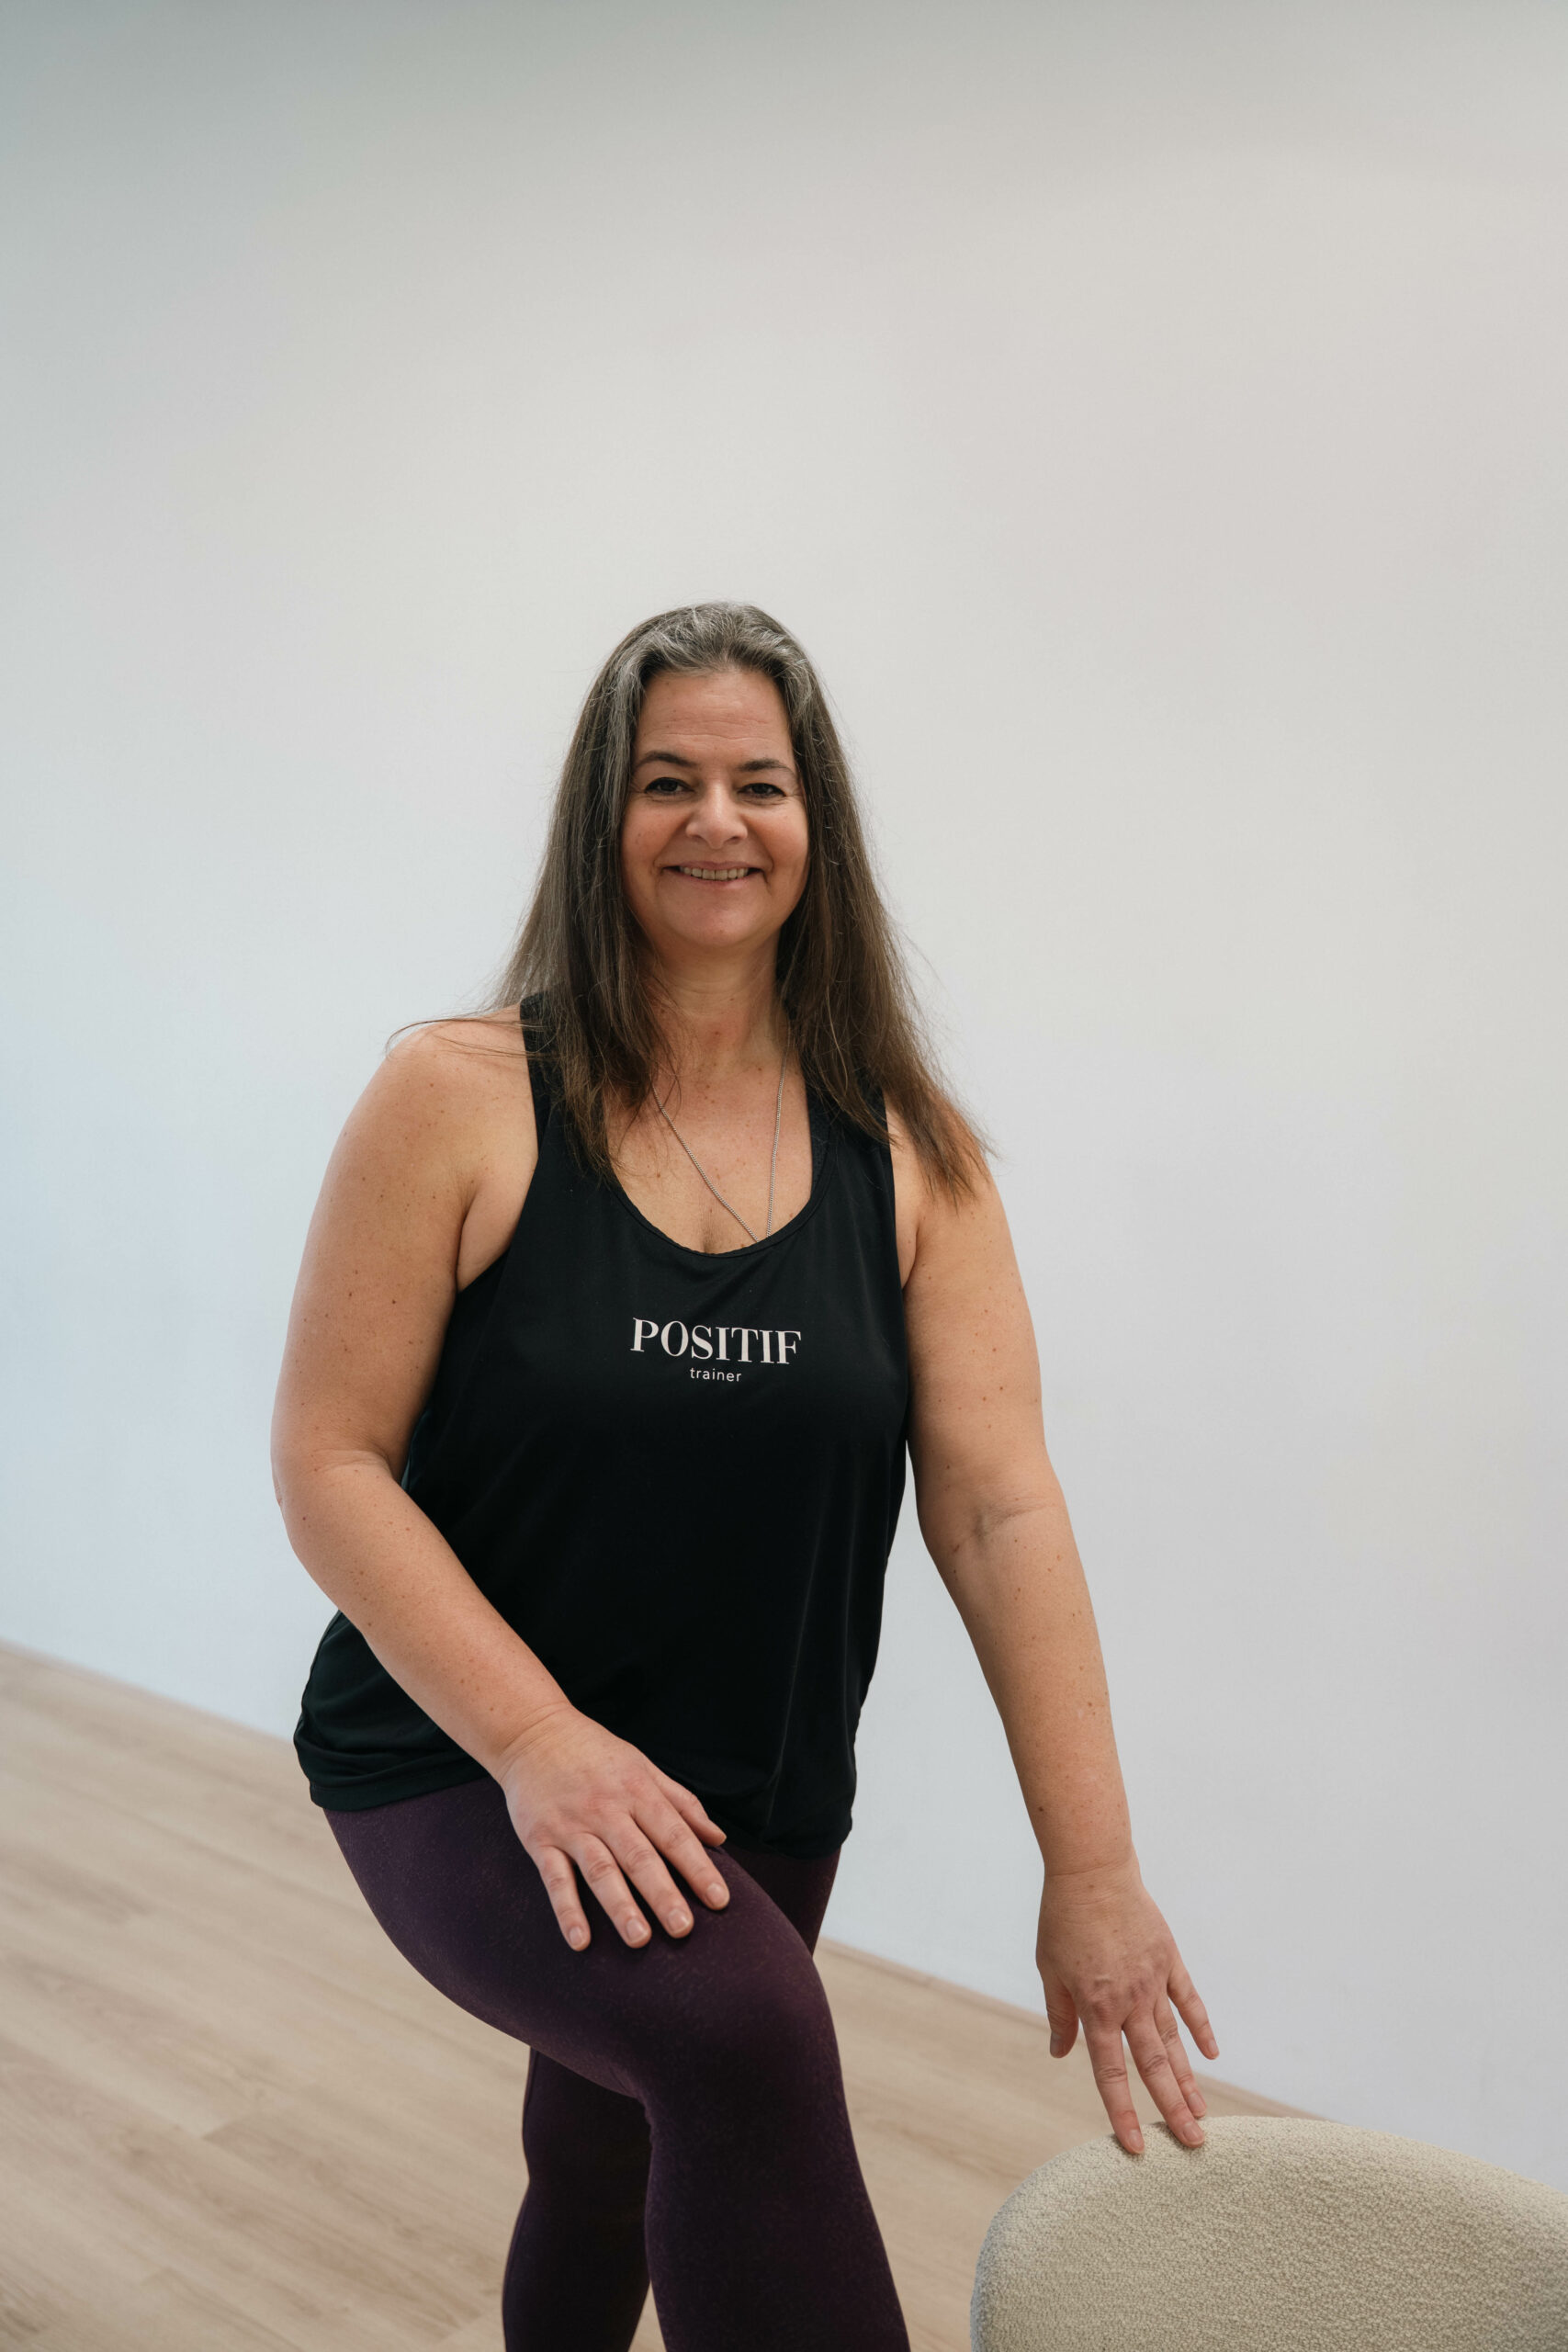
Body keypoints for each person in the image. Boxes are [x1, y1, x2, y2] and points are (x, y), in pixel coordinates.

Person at [272, 602, 1218, 2352]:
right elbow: (330, 1462)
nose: (717, 820)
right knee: (744, 2038)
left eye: (759, 784)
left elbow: (998, 1509)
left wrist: (1092, 1868)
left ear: (814, 824)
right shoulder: (459, 1094)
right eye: (668, 781)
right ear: (603, 819)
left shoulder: (913, 1155)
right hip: (461, 1754)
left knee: (610, 2155)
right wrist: (538, 1743)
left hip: (753, 1776)